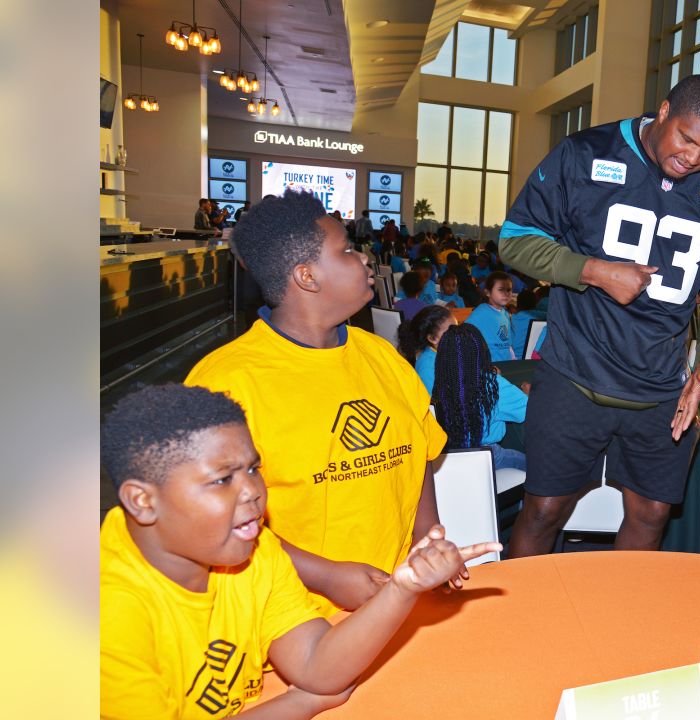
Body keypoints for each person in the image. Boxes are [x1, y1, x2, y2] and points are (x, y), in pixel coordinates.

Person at [100, 384, 498, 719]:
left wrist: (402, 588)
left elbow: (317, 666)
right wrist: (299, 703)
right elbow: (315, 688)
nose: (253, 492)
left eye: (253, 470)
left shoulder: (254, 550)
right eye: (222, 480)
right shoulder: (106, 614)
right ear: (142, 501)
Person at [498, 74, 700, 556]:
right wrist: (593, 270)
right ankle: (521, 621)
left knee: (651, 517)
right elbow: (515, 241)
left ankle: (623, 619)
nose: (693, 158)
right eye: (686, 139)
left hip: (659, 389)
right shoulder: (585, 153)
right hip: (574, 373)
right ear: (664, 110)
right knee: (545, 509)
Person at [185, 190, 449, 617]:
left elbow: (420, 453)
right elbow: (212, 520)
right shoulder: (226, 384)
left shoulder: (382, 356)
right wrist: (325, 575)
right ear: (307, 277)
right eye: (346, 250)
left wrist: (426, 541)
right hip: (291, 621)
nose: (364, 259)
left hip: (395, 604)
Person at [432, 324, 530, 471]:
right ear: (482, 352)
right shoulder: (494, 386)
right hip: (487, 456)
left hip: (449, 456)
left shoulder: (442, 382)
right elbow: (531, 410)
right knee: (534, 465)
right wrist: (528, 393)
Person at [397, 305, 456, 395]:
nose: (458, 334)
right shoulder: (427, 368)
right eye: (451, 331)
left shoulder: (444, 351)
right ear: (432, 338)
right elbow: (436, 404)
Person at [465, 271, 517, 361]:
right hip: (490, 368)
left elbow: (508, 345)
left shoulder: (505, 313)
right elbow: (464, 337)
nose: (506, 293)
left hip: (506, 365)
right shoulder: (480, 314)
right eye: (501, 289)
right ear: (488, 292)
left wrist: (513, 359)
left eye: (509, 290)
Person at [510, 289, 546, 359]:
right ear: (536, 303)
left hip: (515, 357)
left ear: (518, 304)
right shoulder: (542, 315)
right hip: (533, 357)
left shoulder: (513, 318)